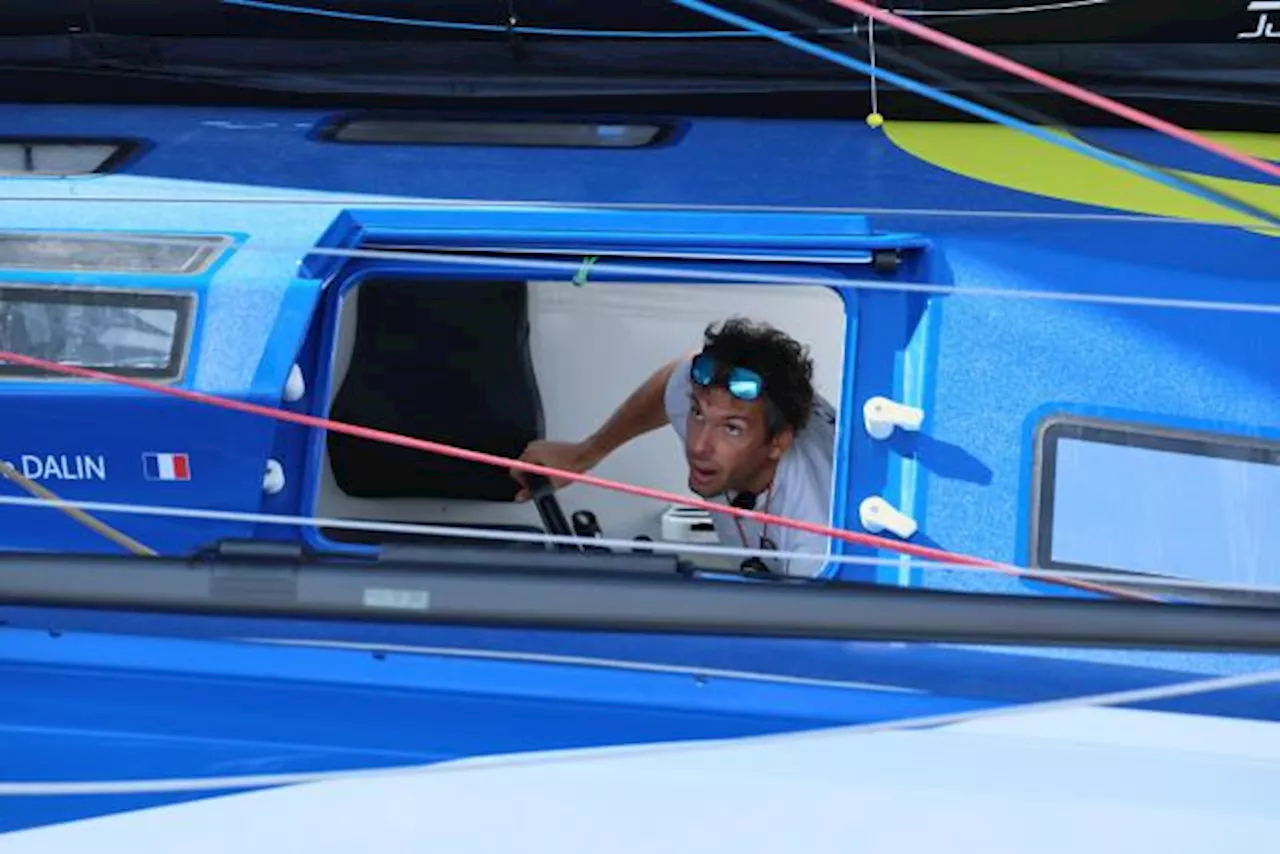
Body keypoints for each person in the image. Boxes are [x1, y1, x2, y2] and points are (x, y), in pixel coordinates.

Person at [512, 317, 836, 578]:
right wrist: (584, 455)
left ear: (778, 442)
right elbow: (677, 375)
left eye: (731, 429)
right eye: (697, 413)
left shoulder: (815, 535)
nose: (699, 445)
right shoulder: (708, 401)